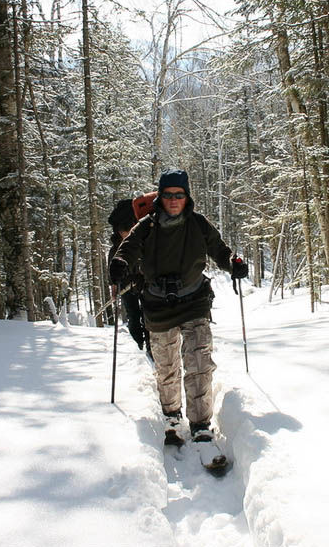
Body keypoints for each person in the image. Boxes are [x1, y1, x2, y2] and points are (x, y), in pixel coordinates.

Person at [109, 169, 248, 446]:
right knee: (167, 366)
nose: (174, 200)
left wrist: (232, 263)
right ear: (161, 197)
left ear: (186, 197)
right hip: (158, 306)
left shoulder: (198, 223)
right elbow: (128, 248)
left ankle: (200, 424)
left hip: (195, 301)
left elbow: (219, 249)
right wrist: (120, 263)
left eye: (179, 195)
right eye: (168, 195)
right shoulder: (146, 226)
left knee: (199, 362)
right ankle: (172, 416)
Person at [106, 192, 156, 354]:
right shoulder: (116, 247)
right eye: (123, 231)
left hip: (145, 284)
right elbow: (112, 267)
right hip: (127, 286)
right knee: (133, 320)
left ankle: (151, 347)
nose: (126, 234)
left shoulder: (144, 237)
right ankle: (140, 346)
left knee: (149, 316)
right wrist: (114, 285)